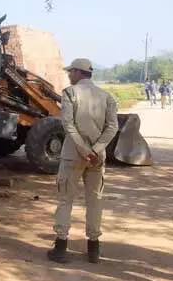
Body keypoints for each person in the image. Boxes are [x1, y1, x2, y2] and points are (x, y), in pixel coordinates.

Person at [47, 58, 119, 264]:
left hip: (73, 156)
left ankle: (61, 247)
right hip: (97, 158)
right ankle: (93, 249)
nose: (69, 75)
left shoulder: (70, 93)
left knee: (65, 200)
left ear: (79, 72)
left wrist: (83, 149)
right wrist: (95, 149)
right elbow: (112, 127)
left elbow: (68, 125)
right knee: (95, 201)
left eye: (71, 72)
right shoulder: (106, 97)